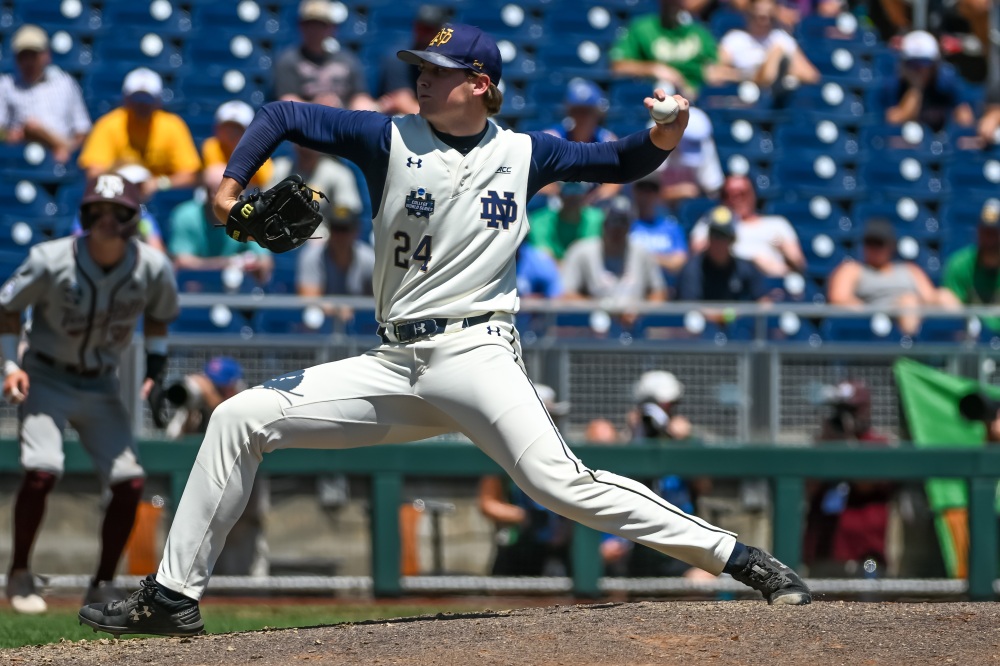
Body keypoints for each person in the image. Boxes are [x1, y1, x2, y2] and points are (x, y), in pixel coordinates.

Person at [79, 23, 810, 638]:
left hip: (477, 351)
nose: (423, 79)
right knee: (240, 417)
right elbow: (281, 115)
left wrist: (666, 134)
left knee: (559, 484)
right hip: (396, 362)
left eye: (440, 71)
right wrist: (230, 189)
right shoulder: (386, 137)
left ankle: (739, 557)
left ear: (481, 84)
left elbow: (620, 160)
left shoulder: (527, 153)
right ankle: (172, 599)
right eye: (421, 69)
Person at [1, 173, 179, 614]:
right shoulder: (50, 258)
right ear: (83, 214)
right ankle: (19, 573)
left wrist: (155, 369)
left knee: (129, 481)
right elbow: (7, 308)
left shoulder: (153, 267)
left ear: (133, 219)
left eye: (118, 212)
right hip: (46, 374)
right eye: (97, 210)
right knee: (42, 470)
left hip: (102, 381)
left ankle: (102, 584)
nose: (107, 219)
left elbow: (159, 318)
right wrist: (9, 365)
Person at [603, 371, 715, 580]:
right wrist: (633, 436)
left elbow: (704, 486)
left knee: (702, 581)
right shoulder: (628, 439)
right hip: (635, 543)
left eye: (667, 406)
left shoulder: (685, 440)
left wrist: (683, 444)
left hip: (679, 539)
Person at [162, 357, 268, 577]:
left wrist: (212, 399)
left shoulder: (246, 398)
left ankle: (252, 594)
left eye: (219, 385)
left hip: (244, 489)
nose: (213, 389)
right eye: (212, 384)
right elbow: (173, 440)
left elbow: (238, 427)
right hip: (206, 489)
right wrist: (191, 412)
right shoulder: (196, 403)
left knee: (243, 545)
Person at [478, 384, 574, 577]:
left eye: (553, 418)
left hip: (556, 548)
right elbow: (487, 503)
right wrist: (525, 517)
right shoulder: (500, 454)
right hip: (517, 546)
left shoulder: (565, 456)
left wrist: (565, 526)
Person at [803, 380, 894, 577]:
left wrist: (847, 446)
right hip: (825, 553)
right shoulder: (823, 445)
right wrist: (826, 448)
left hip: (866, 556)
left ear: (864, 411)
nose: (841, 417)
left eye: (848, 410)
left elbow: (866, 484)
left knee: (869, 607)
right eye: (837, 410)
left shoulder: (877, 444)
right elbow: (807, 488)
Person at [78, 68, 201, 198]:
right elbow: (94, 172)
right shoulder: (108, 124)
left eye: (147, 100)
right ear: (126, 99)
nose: (142, 105)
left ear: (158, 101)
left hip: (159, 196)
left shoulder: (172, 125)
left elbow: (190, 174)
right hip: (118, 194)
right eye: (137, 99)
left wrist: (158, 183)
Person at [827, 218, 951, 336]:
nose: (874, 248)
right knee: (908, 302)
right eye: (869, 243)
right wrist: (876, 315)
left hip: (915, 315)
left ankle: (964, 339)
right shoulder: (853, 269)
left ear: (891, 245)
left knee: (944, 295)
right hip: (875, 323)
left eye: (879, 243)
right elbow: (839, 298)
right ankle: (909, 346)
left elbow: (930, 297)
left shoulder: (909, 269)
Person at [561, 195, 668, 328]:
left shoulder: (642, 253)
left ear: (630, 225)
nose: (617, 228)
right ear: (604, 223)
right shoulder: (581, 251)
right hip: (593, 328)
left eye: (623, 222)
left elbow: (658, 292)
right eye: (613, 221)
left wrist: (641, 311)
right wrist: (603, 309)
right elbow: (566, 295)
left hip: (635, 326)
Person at [168, 164, 273, 286]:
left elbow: (265, 262)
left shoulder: (250, 218)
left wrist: (253, 265)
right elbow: (181, 261)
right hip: (196, 290)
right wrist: (227, 263)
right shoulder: (185, 216)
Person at [0, 24, 91, 163]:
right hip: (21, 158)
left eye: (33, 55)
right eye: (23, 56)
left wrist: (70, 152)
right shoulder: (6, 85)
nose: (28, 62)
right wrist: (9, 135)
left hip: (63, 159)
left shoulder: (65, 83)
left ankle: (62, 146)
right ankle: (61, 146)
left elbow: (82, 129)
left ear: (46, 55)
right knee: (31, 126)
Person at [690, 175, 805, 277]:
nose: (735, 199)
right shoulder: (711, 220)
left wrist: (780, 250)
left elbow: (799, 263)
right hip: (729, 283)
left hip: (773, 284)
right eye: (728, 194)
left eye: (742, 193)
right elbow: (696, 254)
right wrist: (750, 262)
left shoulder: (777, 224)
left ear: (753, 195)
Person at [273, 0, 378, 111]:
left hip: (343, 121)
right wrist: (316, 105)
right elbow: (286, 101)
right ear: (300, 26)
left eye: (321, 25)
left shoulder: (347, 59)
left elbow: (360, 96)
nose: (315, 30)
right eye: (310, 24)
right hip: (305, 123)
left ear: (332, 28)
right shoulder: (289, 60)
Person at [609, 0, 718, 98]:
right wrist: (653, 69)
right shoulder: (642, 28)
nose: (674, 4)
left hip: (694, 101)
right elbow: (617, 65)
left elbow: (717, 68)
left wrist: (698, 77)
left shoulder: (700, 33)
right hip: (654, 99)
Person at [541, 78, 621, 203]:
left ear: (597, 113)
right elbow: (532, 175)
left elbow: (616, 182)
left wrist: (591, 200)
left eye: (587, 112)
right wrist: (558, 194)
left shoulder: (607, 140)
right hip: (557, 203)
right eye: (577, 111)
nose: (582, 117)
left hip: (591, 205)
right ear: (570, 112)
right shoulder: (553, 138)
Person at [709, 0, 819, 87]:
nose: (765, 22)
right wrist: (749, 75)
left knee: (777, 52)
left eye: (769, 17)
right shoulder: (735, 39)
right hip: (742, 96)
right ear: (750, 13)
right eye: (760, 17)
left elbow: (811, 75)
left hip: (774, 99)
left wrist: (780, 70)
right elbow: (714, 72)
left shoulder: (781, 39)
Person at [881, 30, 974, 133]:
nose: (918, 70)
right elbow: (894, 123)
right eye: (912, 64)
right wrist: (916, 88)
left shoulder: (947, 83)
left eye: (923, 64)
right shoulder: (895, 85)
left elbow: (965, 120)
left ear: (935, 65)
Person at [70, 165, 167, 253]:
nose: (138, 190)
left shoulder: (144, 216)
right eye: (133, 186)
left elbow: (157, 249)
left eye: (139, 186)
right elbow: (77, 245)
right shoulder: (89, 211)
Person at [677, 213, 767, 305]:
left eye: (723, 236)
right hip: (702, 318)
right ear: (709, 238)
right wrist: (722, 315)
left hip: (741, 318)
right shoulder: (693, 269)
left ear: (732, 240)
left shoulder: (745, 267)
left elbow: (762, 300)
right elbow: (688, 306)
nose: (718, 242)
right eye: (715, 236)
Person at [376, 5, 449, 116]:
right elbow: (403, 102)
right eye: (419, 28)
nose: (422, 34)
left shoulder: (449, 59)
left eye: (429, 29)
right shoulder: (400, 56)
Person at [941, 199, 1000, 331]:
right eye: (985, 231)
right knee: (943, 296)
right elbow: (950, 304)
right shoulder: (960, 264)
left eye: (994, 233)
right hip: (971, 341)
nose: (989, 238)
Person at [651, 106, 724, 206]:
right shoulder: (655, 140)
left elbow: (712, 188)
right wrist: (676, 192)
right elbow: (640, 194)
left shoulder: (705, 146)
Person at [201, 101, 274, 189]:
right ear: (217, 129)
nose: (232, 133)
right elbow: (217, 179)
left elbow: (265, 180)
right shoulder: (212, 145)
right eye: (228, 127)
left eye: (237, 128)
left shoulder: (257, 149)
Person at [528, 181, 605, 262]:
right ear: (559, 194)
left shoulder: (597, 220)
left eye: (577, 193)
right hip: (552, 273)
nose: (572, 198)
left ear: (585, 195)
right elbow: (544, 258)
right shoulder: (540, 221)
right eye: (568, 193)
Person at [629, 173, 689, 274]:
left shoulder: (672, 226)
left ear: (658, 194)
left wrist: (648, 258)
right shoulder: (627, 226)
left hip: (666, 285)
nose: (646, 195)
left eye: (651, 190)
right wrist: (664, 260)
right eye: (642, 190)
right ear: (634, 192)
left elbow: (679, 262)